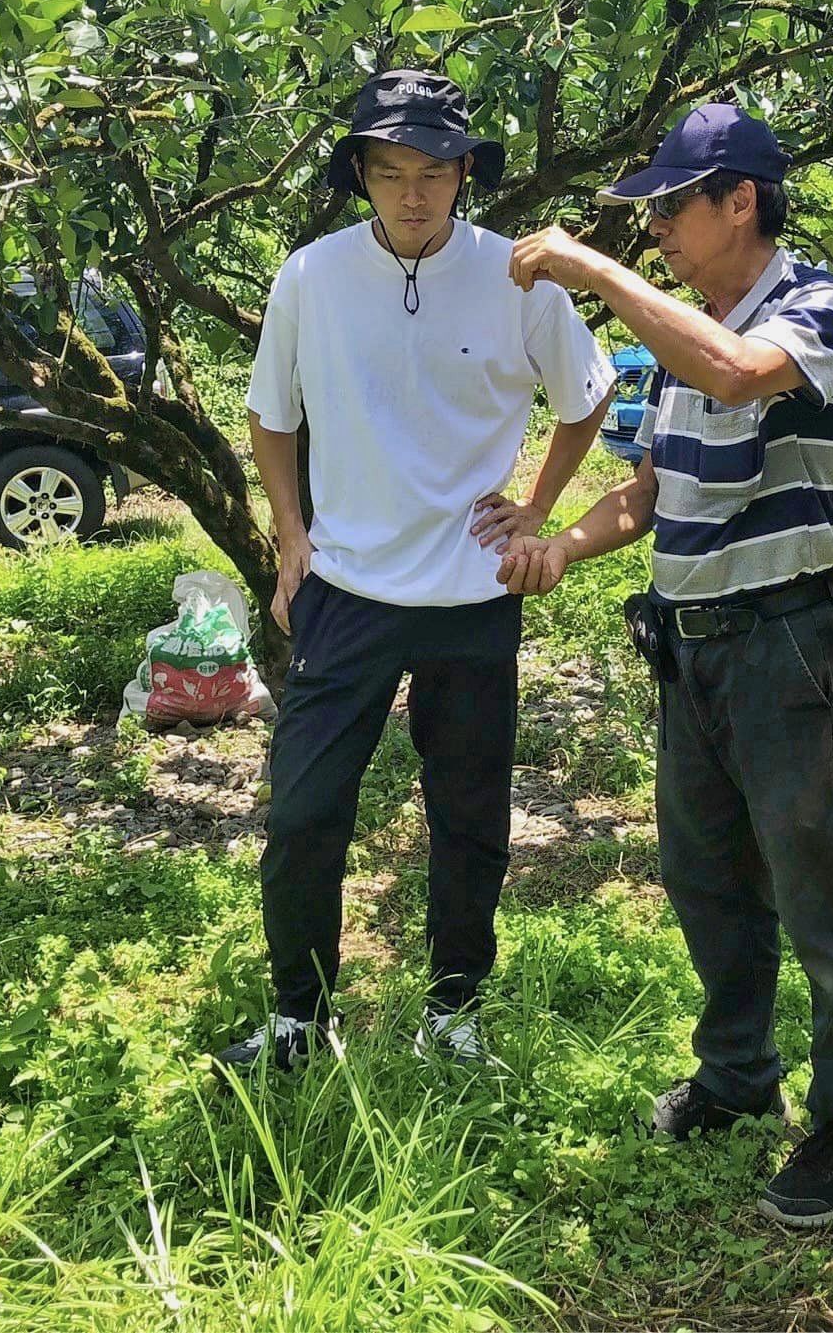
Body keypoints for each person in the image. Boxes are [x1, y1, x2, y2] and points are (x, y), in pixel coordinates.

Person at [483, 103, 833, 1227]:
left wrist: (585, 268)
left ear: (741, 202)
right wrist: (558, 541)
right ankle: (735, 1079)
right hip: (690, 651)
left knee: (821, 890)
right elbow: (654, 487)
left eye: (672, 206)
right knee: (707, 883)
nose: (657, 228)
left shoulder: (815, 307)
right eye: (651, 213)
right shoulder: (687, 333)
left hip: (782, 645)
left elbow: (736, 377)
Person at [218, 68, 615, 1071]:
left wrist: (538, 506)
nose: (412, 193)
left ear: (464, 176)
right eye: (389, 170)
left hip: (473, 593)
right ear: (359, 173)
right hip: (345, 589)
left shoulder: (516, 276)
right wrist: (289, 531)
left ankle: (454, 1011)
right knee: (306, 811)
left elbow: (585, 397)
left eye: (434, 172)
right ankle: (301, 1017)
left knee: (469, 812)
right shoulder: (309, 276)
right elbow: (271, 415)